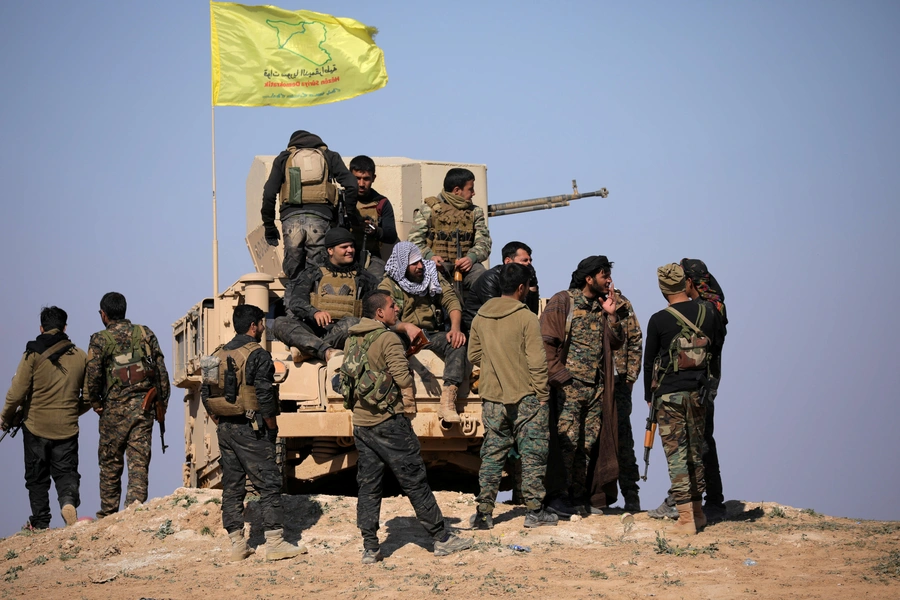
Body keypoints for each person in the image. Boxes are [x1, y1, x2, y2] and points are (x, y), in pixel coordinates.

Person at [344, 290, 473, 563]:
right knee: (414, 480)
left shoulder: (353, 338)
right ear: (380, 312)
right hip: (389, 423)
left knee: (368, 485)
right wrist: (408, 410)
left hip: (362, 423)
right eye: (392, 306)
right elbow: (403, 378)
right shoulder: (388, 338)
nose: (397, 310)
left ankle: (370, 547)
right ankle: (442, 538)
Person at [201, 305, 305, 561]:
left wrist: (222, 419)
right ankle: (275, 542)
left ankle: (238, 544)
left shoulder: (214, 355)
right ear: (253, 326)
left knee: (233, 486)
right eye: (261, 323)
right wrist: (271, 428)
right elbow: (265, 397)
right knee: (269, 483)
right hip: (252, 428)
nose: (262, 328)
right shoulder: (259, 355)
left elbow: (205, 394)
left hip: (225, 429)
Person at [467, 263, 558, 529]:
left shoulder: (482, 316)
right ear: (521, 288)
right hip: (527, 396)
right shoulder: (526, 317)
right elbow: (537, 361)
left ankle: (484, 514)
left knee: (492, 455)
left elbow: (473, 354)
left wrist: (493, 363)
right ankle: (533, 513)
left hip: (493, 398)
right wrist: (542, 396)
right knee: (533, 456)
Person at [540, 256, 624, 517]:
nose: (608, 280)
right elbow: (546, 342)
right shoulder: (564, 301)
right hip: (569, 389)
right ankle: (559, 497)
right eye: (603, 275)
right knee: (567, 444)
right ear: (589, 278)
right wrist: (559, 375)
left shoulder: (603, 306)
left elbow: (617, 342)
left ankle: (580, 496)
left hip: (596, 388)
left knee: (587, 445)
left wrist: (612, 316)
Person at [642, 264, 722, 535]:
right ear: (685, 284)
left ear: (663, 288)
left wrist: (648, 396)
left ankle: (686, 518)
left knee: (677, 456)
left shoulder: (658, 319)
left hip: (669, 395)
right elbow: (715, 349)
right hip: (699, 393)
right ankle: (698, 513)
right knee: (695, 454)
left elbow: (649, 360)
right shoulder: (708, 312)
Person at [85, 292, 170, 518]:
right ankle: (134, 511)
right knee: (138, 463)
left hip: (113, 411)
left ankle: (109, 514)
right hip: (143, 407)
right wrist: (162, 403)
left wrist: (96, 403)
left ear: (103, 315)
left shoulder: (99, 340)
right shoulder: (145, 333)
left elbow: (92, 377)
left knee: (110, 462)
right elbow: (161, 372)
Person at [2, 307, 88, 530]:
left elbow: (16, 393)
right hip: (67, 428)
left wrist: (5, 418)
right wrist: (70, 410)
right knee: (66, 473)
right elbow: (90, 396)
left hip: (35, 427)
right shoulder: (80, 356)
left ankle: (40, 523)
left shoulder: (32, 354)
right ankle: (68, 502)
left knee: (37, 478)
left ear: (41, 328)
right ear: (65, 327)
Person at [260, 130, 358, 315]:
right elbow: (351, 184)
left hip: (291, 222)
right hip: (320, 220)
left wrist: (269, 226)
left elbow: (268, 194)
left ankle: (292, 315)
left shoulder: (285, 158)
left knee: (294, 275)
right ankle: (316, 317)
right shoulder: (329, 156)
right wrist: (349, 216)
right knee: (317, 273)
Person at [379, 241, 467, 424]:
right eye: (414, 263)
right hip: (400, 333)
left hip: (430, 333)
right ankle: (405, 395)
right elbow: (384, 319)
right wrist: (406, 327)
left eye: (420, 261)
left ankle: (448, 400)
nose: (420, 266)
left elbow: (451, 300)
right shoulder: (389, 283)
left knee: (457, 343)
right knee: (389, 342)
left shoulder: (430, 274)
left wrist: (455, 328)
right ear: (403, 265)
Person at [273, 227, 380, 363]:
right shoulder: (313, 273)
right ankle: (326, 351)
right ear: (330, 250)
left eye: (352, 246)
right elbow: (296, 301)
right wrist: (314, 312)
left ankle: (309, 351)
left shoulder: (364, 278)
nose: (350, 250)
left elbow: (377, 304)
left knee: (353, 323)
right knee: (280, 323)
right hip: (314, 329)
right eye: (344, 247)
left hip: (345, 334)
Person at [407, 167, 491, 293]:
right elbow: (414, 242)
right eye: (470, 189)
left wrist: (471, 258)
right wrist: (430, 257)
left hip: (466, 267)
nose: (473, 193)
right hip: (436, 266)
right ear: (457, 190)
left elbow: (484, 242)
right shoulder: (428, 210)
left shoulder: (475, 212)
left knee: (484, 279)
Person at [611, 289, 643, 512]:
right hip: (592, 384)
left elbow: (635, 340)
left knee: (623, 439)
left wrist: (631, 377)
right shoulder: (581, 303)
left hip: (619, 382)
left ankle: (631, 494)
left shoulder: (623, 306)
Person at [461, 240, 540, 331]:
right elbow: (496, 312)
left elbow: (531, 314)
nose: (528, 264)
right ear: (508, 261)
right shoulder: (491, 279)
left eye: (530, 260)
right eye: (524, 260)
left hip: (505, 326)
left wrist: (532, 285)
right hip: (479, 329)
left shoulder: (521, 282)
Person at [348, 155, 399, 278]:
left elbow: (391, 235)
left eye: (366, 179)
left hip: (371, 256)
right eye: (357, 178)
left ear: (373, 178)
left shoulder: (381, 203)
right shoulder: (341, 199)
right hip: (345, 255)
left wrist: (375, 231)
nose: (361, 184)